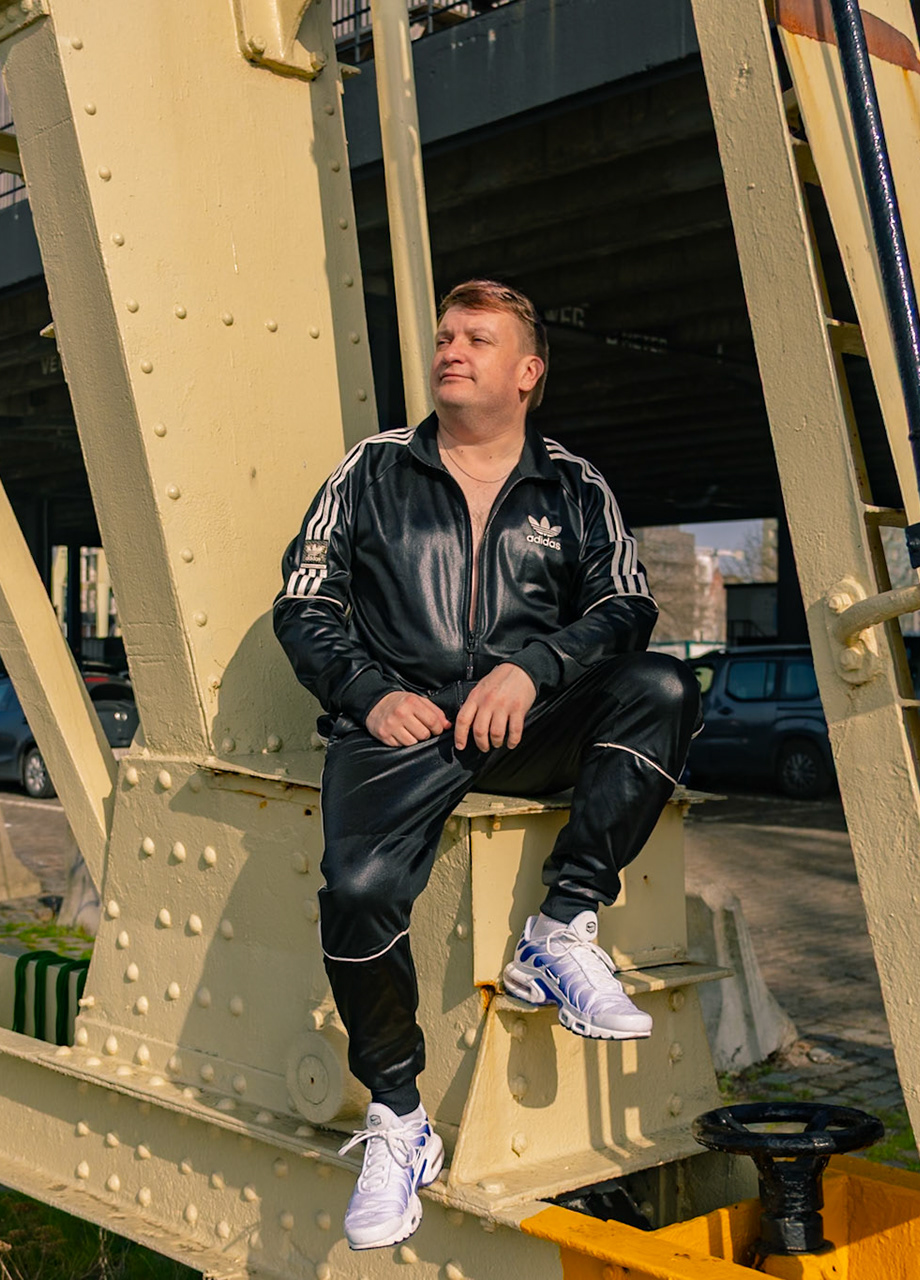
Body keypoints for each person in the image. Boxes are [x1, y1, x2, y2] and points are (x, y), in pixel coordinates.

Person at [272, 280, 700, 1251]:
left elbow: (625, 606)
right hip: (403, 727)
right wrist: (369, 692)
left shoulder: (574, 485)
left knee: (663, 688)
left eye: (477, 338)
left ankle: (560, 927)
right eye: (444, 336)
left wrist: (533, 667)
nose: (451, 350)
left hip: (525, 720)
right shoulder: (372, 469)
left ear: (527, 371)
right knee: (356, 890)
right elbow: (304, 601)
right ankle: (399, 1117)